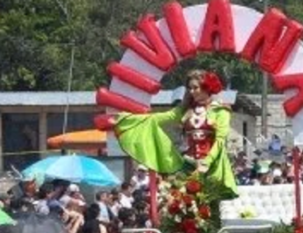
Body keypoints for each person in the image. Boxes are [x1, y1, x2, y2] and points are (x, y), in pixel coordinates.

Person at [102, 69, 238, 199]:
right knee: (182, 205)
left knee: (209, 210)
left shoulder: (220, 111)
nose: (192, 92)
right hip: (188, 164)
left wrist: (206, 162)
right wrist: (130, 119)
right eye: (190, 88)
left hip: (212, 167)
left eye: (195, 87)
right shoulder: (184, 110)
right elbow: (162, 117)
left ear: (206, 87)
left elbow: (220, 141)